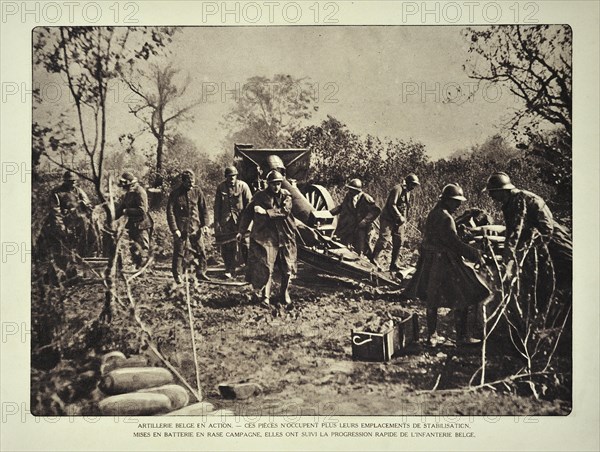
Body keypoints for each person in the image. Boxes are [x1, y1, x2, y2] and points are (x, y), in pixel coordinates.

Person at [405, 184, 489, 347]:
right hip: (444, 261)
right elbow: (454, 243)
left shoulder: (434, 213)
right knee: (464, 294)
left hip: (430, 260)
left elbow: (441, 235)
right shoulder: (445, 217)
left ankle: (432, 337)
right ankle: (462, 337)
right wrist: (476, 254)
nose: (459, 205)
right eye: (456, 201)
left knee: (432, 299)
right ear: (447, 201)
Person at [484, 172, 572, 296]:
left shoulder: (527, 200)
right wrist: (508, 256)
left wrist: (535, 250)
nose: (490, 195)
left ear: (502, 190)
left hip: (554, 243)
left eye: (492, 191)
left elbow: (547, 228)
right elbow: (512, 233)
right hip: (533, 246)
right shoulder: (509, 204)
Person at [238, 170, 297, 305]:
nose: (276, 187)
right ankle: (265, 296)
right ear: (268, 184)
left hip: (285, 235)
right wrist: (241, 231)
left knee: (287, 268)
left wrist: (265, 212)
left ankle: (284, 292)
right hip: (267, 237)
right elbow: (248, 213)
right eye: (273, 184)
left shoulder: (286, 196)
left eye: (278, 184)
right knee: (267, 267)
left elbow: (285, 212)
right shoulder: (259, 196)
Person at [167, 169, 210, 284]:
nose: (191, 184)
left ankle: (201, 272)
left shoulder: (197, 191)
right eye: (188, 182)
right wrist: (175, 229)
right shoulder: (175, 194)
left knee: (200, 250)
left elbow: (203, 209)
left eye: (193, 181)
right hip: (181, 228)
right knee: (179, 251)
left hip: (195, 226)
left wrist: (205, 225)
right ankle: (178, 275)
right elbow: (170, 213)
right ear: (183, 181)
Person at [372, 173, 420, 272]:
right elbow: (392, 204)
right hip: (388, 219)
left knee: (399, 241)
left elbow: (405, 207)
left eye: (415, 185)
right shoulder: (397, 189)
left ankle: (394, 265)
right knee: (383, 240)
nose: (414, 187)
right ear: (408, 182)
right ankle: (373, 260)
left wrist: (404, 221)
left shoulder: (408, 192)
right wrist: (399, 216)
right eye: (413, 184)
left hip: (399, 222)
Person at [214, 166, 252, 278]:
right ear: (226, 177)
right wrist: (217, 222)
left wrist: (248, 223)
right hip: (226, 222)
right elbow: (217, 207)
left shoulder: (243, 186)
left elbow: (249, 205)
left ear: (237, 176)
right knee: (227, 246)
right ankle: (230, 269)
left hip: (241, 221)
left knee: (245, 244)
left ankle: (249, 269)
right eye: (229, 177)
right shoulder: (221, 187)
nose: (232, 179)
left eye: (233, 176)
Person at [329, 178, 381, 256]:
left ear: (357, 190)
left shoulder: (366, 198)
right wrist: (330, 213)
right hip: (350, 225)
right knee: (343, 242)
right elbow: (343, 206)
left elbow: (376, 211)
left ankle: (366, 260)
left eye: (352, 189)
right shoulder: (349, 196)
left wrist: (365, 221)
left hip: (362, 227)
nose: (350, 191)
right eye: (350, 189)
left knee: (361, 246)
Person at [116, 172, 153, 269]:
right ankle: (137, 269)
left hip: (142, 224)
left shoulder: (140, 192)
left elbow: (142, 210)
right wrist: (112, 217)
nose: (124, 187)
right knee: (134, 248)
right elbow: (122, 207)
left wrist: (127, 211)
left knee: (142, 249)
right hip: (132, 224)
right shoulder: (129, 193)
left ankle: (143, 272)